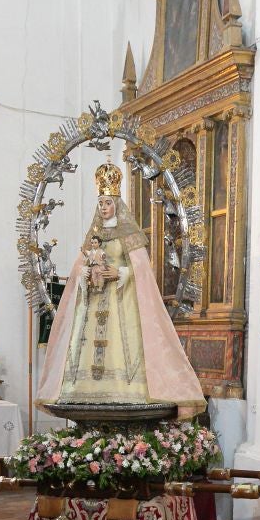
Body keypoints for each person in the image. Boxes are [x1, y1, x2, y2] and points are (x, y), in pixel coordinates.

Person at [34, 159, 207, 417]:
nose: (103, 208)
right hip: (95, 299)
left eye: (107, 203)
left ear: (116, 204)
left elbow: (142, 270)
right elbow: (78, 269)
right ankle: (84, 389)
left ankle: (126, 390)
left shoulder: (129, 233)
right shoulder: (94, 235)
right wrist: (87, 272)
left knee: (121, 345)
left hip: (121, 300)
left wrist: (120, 272)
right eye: (100, 203)